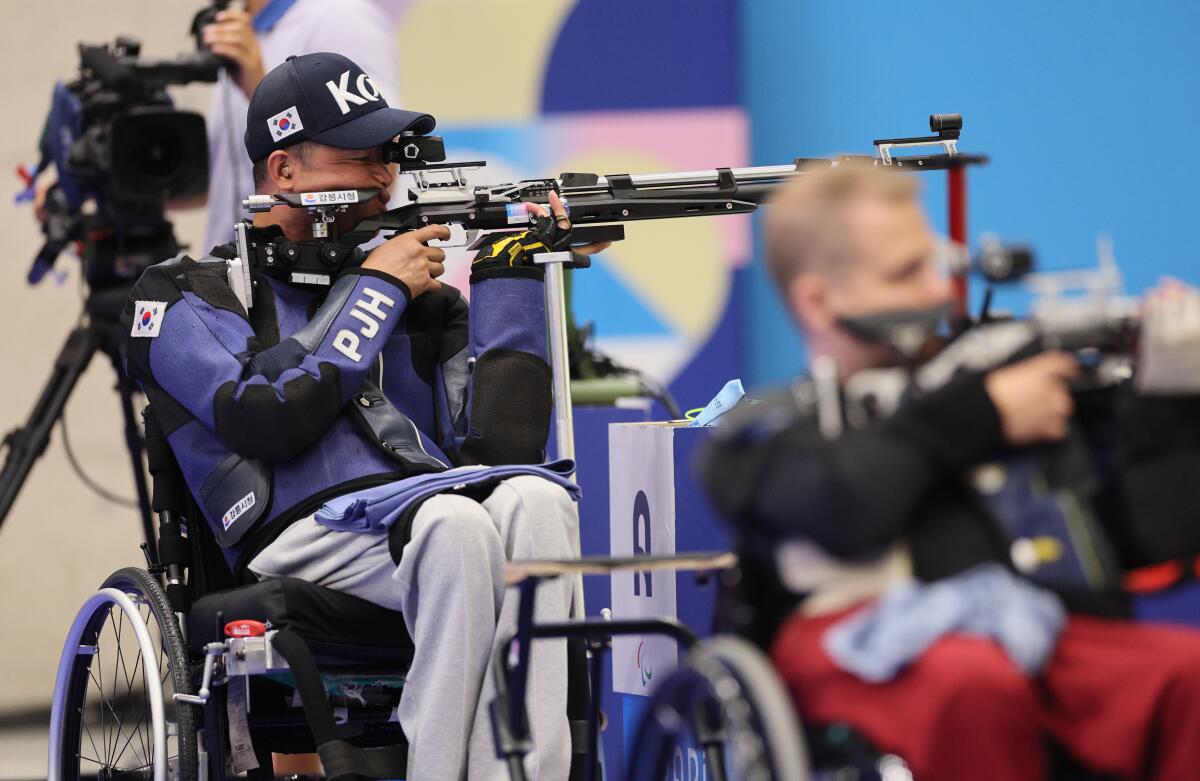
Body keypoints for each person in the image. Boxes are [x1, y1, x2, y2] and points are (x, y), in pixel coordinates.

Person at [121, 52, 608, 780]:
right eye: (363, 155)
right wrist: (375, 287)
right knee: (454, 524)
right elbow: (264, 417)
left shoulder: (426, 303)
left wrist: (512, 267)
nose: (385, 177)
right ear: (284, 172)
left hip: (424, 521)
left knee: (538, 501)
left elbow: (501, 450)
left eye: (390, 157)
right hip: (293, 530)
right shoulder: (182, 294)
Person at [699, 162, 1200, 781]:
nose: (938, 290)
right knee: (974, 683)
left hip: (1024, 633)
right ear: (820, 301)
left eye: (933, 264)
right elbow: (850, 506)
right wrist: (984, 412)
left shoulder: (982, 386)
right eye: (906, 272)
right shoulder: (768, 435)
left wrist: (1170, 402)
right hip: (858, 649)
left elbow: (1144, 543)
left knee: (1185, 678)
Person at [200, 0, 401, 251]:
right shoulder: (230, 32)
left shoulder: (339, 17)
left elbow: (385, 154)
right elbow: (213, 189)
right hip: (238, 273)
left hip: (340, 272)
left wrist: (266, 92)